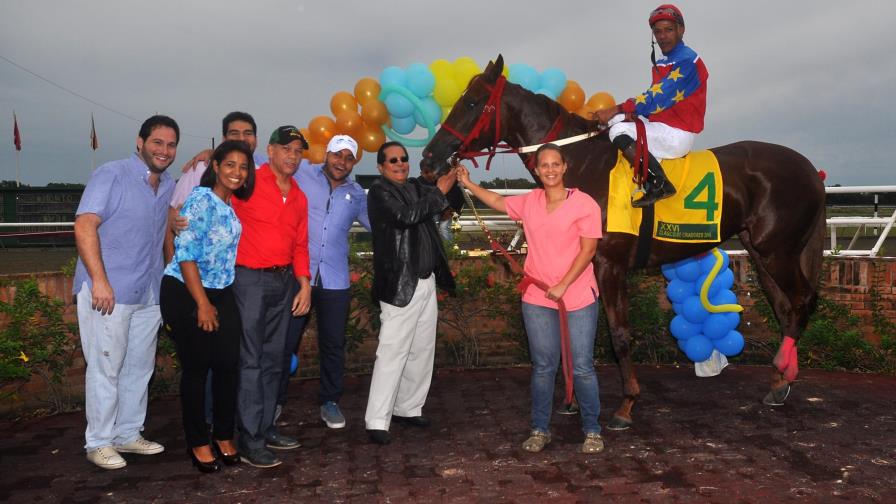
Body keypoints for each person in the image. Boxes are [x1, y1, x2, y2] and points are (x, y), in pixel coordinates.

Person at [456, 143, 605, 454]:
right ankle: (540, 429)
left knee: (581, 366)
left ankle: (592, 431)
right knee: (543, 366)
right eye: (544, 165)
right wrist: (468, 183)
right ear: (536, 171)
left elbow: (588, 250)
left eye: (555, 164)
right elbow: (498, 200)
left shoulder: (584, 204)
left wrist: (563, 284)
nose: (550, 170)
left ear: (565, 167)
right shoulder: (530, 201)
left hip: (577, 294)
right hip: (537, 297)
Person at [73, 115, 179, 469]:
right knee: (106, 367)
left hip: (149, 292)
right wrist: (99, 280)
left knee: (139, 367)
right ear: (140, 142)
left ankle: (128, 433)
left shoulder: (168, 184)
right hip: (109, 291)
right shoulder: (111, 174)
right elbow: (85, 224)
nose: (164, 150)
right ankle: (98, 442)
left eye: (171, 145)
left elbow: (168, 225)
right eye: (157, 142)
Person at [160, 140, 255, 473]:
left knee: (228, 363)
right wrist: (201, 303)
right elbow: (185, 254)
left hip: (221, 291)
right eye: (229, 164)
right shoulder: (201, 199)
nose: (237, 172)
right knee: (197, 367)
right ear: (215, 167)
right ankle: (198, 441)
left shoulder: (229, 204)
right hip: (186, 290)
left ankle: (224, 435)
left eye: (243, 167)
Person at [364, 141, 457, 445]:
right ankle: (377, 420)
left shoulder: (416, 187)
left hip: (425, 281)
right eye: (392, 160)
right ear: (381, 167)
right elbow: (406, 216)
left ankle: (408, 407)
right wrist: (439, 191)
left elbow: (440, 193)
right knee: (392, 352)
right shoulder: (379, 191)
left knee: (422, 350)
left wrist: (453, 169)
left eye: (403, 158)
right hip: (400, 284)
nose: (400, 163)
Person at [231, 125, 312, 468]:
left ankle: (264, 428)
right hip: (249, 280)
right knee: (250, 360)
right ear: (271, 150)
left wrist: (304, 285)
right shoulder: (248, 181)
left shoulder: (299, 196)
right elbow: (215, 196)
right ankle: (249, 439)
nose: (293, 156)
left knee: (274, 359)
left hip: (284, 283)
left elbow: (301, 245)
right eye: (287, 149)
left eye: (298, 151)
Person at [279, 134, 370, 429]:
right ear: (326, 154)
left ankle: (330, 401)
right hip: (298, 277)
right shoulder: (302, 173)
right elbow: (261, 159)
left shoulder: (357, 194)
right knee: (286, 341)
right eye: (337, 154)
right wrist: (208, 155)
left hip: (335, 280)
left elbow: (381, 225)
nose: (342, 162)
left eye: (348, 158)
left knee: (333, 345)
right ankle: (276, 400)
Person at [595, 3, 708, 208]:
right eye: (657, 32)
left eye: (668, 30)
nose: (662, 36)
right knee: (614, 121)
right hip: (663, 125)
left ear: (681, 30)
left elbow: (656, 98)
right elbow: (655, 105)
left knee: (618, 129)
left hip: (678, 133)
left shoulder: (687, 61)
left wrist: (619, 108)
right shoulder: (666, 61)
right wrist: (627, 114)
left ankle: (658, 182)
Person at [165, 111, 266, 262]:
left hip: (240, 270)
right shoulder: (200, 169)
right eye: (234, 133)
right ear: (224, 139)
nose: (241, 138)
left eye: (248, 133)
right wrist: (170, 264)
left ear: (256, 140)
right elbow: (172, 218)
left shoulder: (262, 174)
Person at [418, 160, 464, 242]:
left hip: (450, 210)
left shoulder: (445, 180)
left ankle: (448, 247)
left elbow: (457, 198)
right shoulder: (418, 183)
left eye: (432, 171)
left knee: (443, 227)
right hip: (432, 211)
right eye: (426, 172)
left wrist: (451, 210)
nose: (430, 174)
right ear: (421, 173)